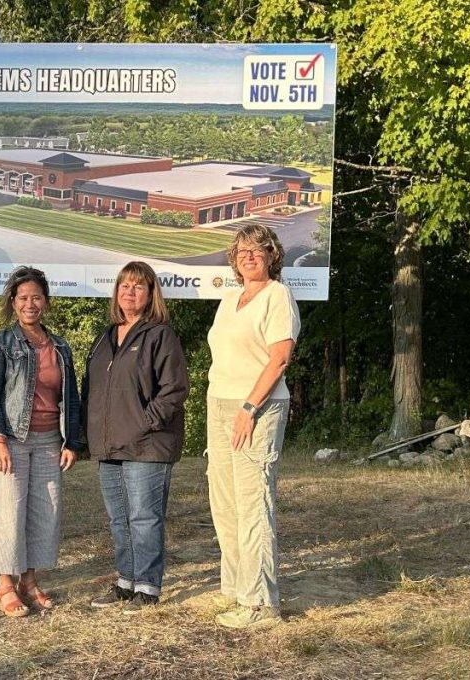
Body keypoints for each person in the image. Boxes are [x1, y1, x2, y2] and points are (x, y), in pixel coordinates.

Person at [206, 223, 300, 630]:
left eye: (258, 250)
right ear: (234, 258)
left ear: (271, 256)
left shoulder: (278, 296)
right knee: (224, 502)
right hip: (220, 404)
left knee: (253, 501)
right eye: (242, 250)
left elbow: (279, 359)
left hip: (257, 408)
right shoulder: (230, 299)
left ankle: (261, 603)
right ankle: (237, 588)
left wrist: (249, 406)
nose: (249, 255)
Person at [83, 261, 189, 613]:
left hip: (148, 444)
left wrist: (145, 421)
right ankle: (126, 581)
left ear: (150, 294)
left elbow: (174, 390)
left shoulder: (160, 334)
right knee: (119, 517)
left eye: (138, 286)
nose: (130, 292)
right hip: (109, 444)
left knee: (144, 516)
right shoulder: (105, 336)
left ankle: (147, 586)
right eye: (124, 286)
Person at [0, 267, 81, 617]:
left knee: (44, 512)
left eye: (37, 297)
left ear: (46, 302)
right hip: (13, 439)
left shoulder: (61, 346)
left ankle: (29, 581)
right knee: (9, 511)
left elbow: (71, 397)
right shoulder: (0, 343)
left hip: (51, 440)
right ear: (13, 302)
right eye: (23, 298)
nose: (30, 303)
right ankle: (5, 584)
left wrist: (72, 442)